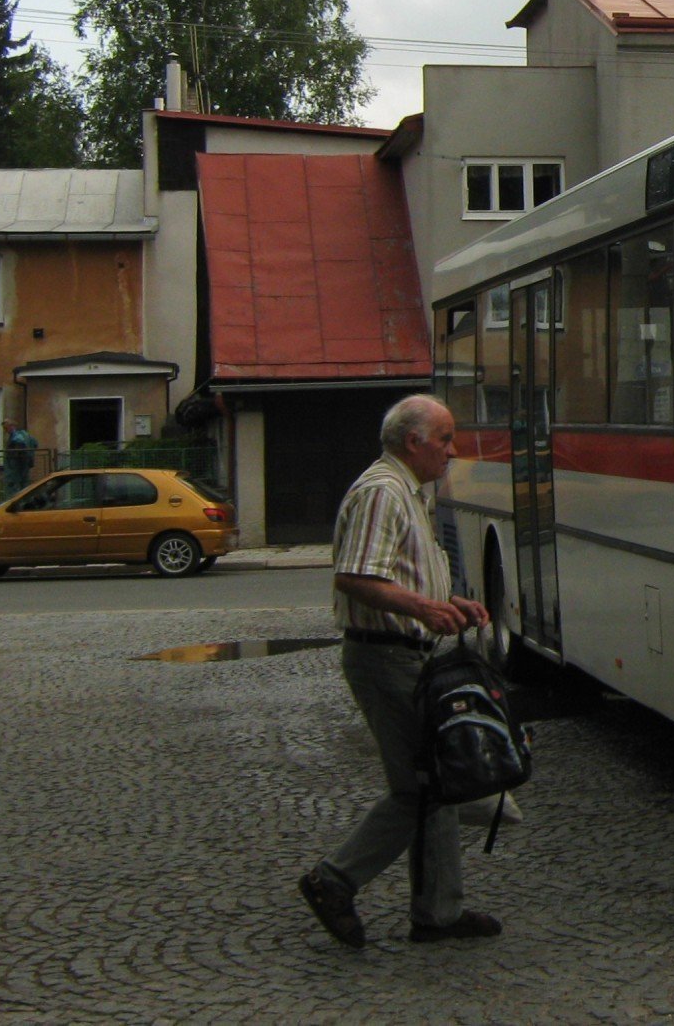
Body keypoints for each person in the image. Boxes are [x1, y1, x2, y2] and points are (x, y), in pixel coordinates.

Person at [298, 395, 499, 950]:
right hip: (385, 656)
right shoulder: (383, 493)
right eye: (445, 439)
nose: (452, 451)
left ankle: (438, 913)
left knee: (435, 785)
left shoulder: (406, 491)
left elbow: (399, 574)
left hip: (406, 652)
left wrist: (448, 601)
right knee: (418, 789)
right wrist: (425, 609)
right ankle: (334, 881)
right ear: (414, 442)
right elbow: (356, 577)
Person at [2, 418, 35, 493]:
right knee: (22, 484)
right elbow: (35, 443)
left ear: (12, 426)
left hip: (17, 465)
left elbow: (20, 448)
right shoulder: (23, 435)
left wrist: (15, 455)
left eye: (6, 428)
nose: (5, 430)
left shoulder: (17, 437)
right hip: (20, 464)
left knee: (17, 485)